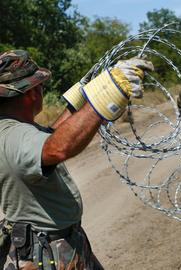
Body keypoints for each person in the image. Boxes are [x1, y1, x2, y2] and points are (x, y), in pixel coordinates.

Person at [0, 49, 153, 269]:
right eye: (41, 87)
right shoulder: (15, 137)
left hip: (56, 244)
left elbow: (50, 135)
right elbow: (57, 147)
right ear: (32, 93)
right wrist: (105, 99)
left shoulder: (14, 129)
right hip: (46, 253)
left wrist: (82, 95)